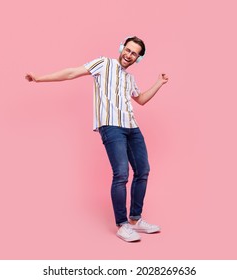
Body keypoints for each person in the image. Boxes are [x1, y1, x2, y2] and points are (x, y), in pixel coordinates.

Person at [25, 36, 169, 242]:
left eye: (134, 54)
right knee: (121, 173)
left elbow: (141, 100)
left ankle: (136, 220)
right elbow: (72, 72)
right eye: (127, 50)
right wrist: (40, 78)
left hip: (132, 127)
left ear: (138, 59)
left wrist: (159, 83)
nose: (129, 55)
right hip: (111, 126)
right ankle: (122, 224)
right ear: (122, 48)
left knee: (143, 170)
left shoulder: (130, 79)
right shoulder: (104, 63)